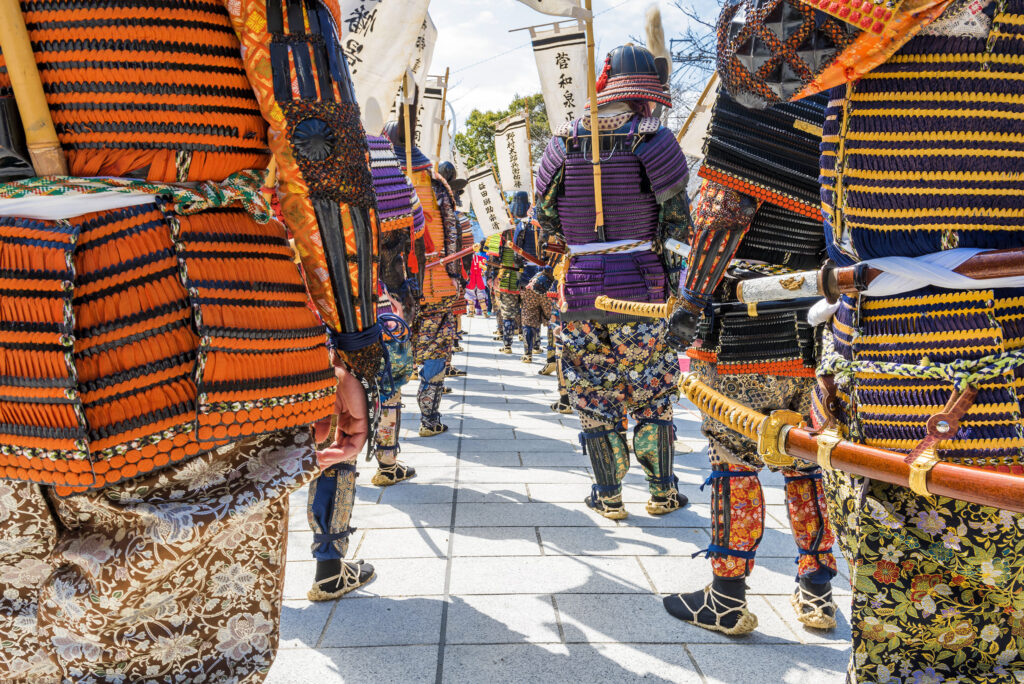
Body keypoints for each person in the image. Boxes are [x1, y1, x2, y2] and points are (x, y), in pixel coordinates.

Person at [0, 0, 381, 679]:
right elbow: (318, 143)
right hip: (194, 324)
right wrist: (351, 342)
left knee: (18, 644)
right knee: (178, 648)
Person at [716, 0, 1024, 678]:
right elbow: (754, 74)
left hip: (932, 380)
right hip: (874, 357)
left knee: (926, 632)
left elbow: (752, 73)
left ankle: (732, 581)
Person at [535, 44, 690, 520]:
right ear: (644, 93)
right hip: (642, 290)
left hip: (580, 291)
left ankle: (608, 495)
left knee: (592, 391)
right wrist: (678, 287)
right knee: (651, 390)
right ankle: (662, 493)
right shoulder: (653, 139)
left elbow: (545, 221)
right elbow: (677, 225)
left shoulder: (561, 141)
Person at [384, 116, 462, 438]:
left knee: (392, 352)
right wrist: (454, 274)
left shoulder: (378, 181)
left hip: (391, 286)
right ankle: (429, 419)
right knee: (436, 348)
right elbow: (452, 230)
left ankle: (387, 439)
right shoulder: (436, 185)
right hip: (436, 279)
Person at [465, 243, 490, 317]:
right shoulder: (479, 258)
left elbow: (485, 267)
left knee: (473, 295)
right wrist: (483, 268)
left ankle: (474, 313)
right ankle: (474, 313)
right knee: (475, 295)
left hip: (474, 277)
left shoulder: (471, 258)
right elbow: (485, 267)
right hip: (475, 277)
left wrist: (483, 268)